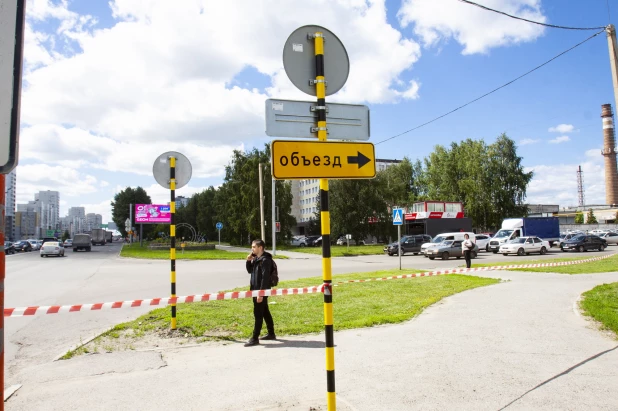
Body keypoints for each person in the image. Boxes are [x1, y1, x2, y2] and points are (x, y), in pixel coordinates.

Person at [244, 239, 276, 347]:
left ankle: (254, 338)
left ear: (260, 248)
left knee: (258, 313)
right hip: (255, 290)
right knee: (265, 311)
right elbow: (250, 271)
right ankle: (271, 333)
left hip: (261, 290)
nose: (252, 249)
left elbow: (265, 278)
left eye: (254, 247)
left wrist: (261, 293)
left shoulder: (265, 260)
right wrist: (248, 261)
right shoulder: (257, 259)